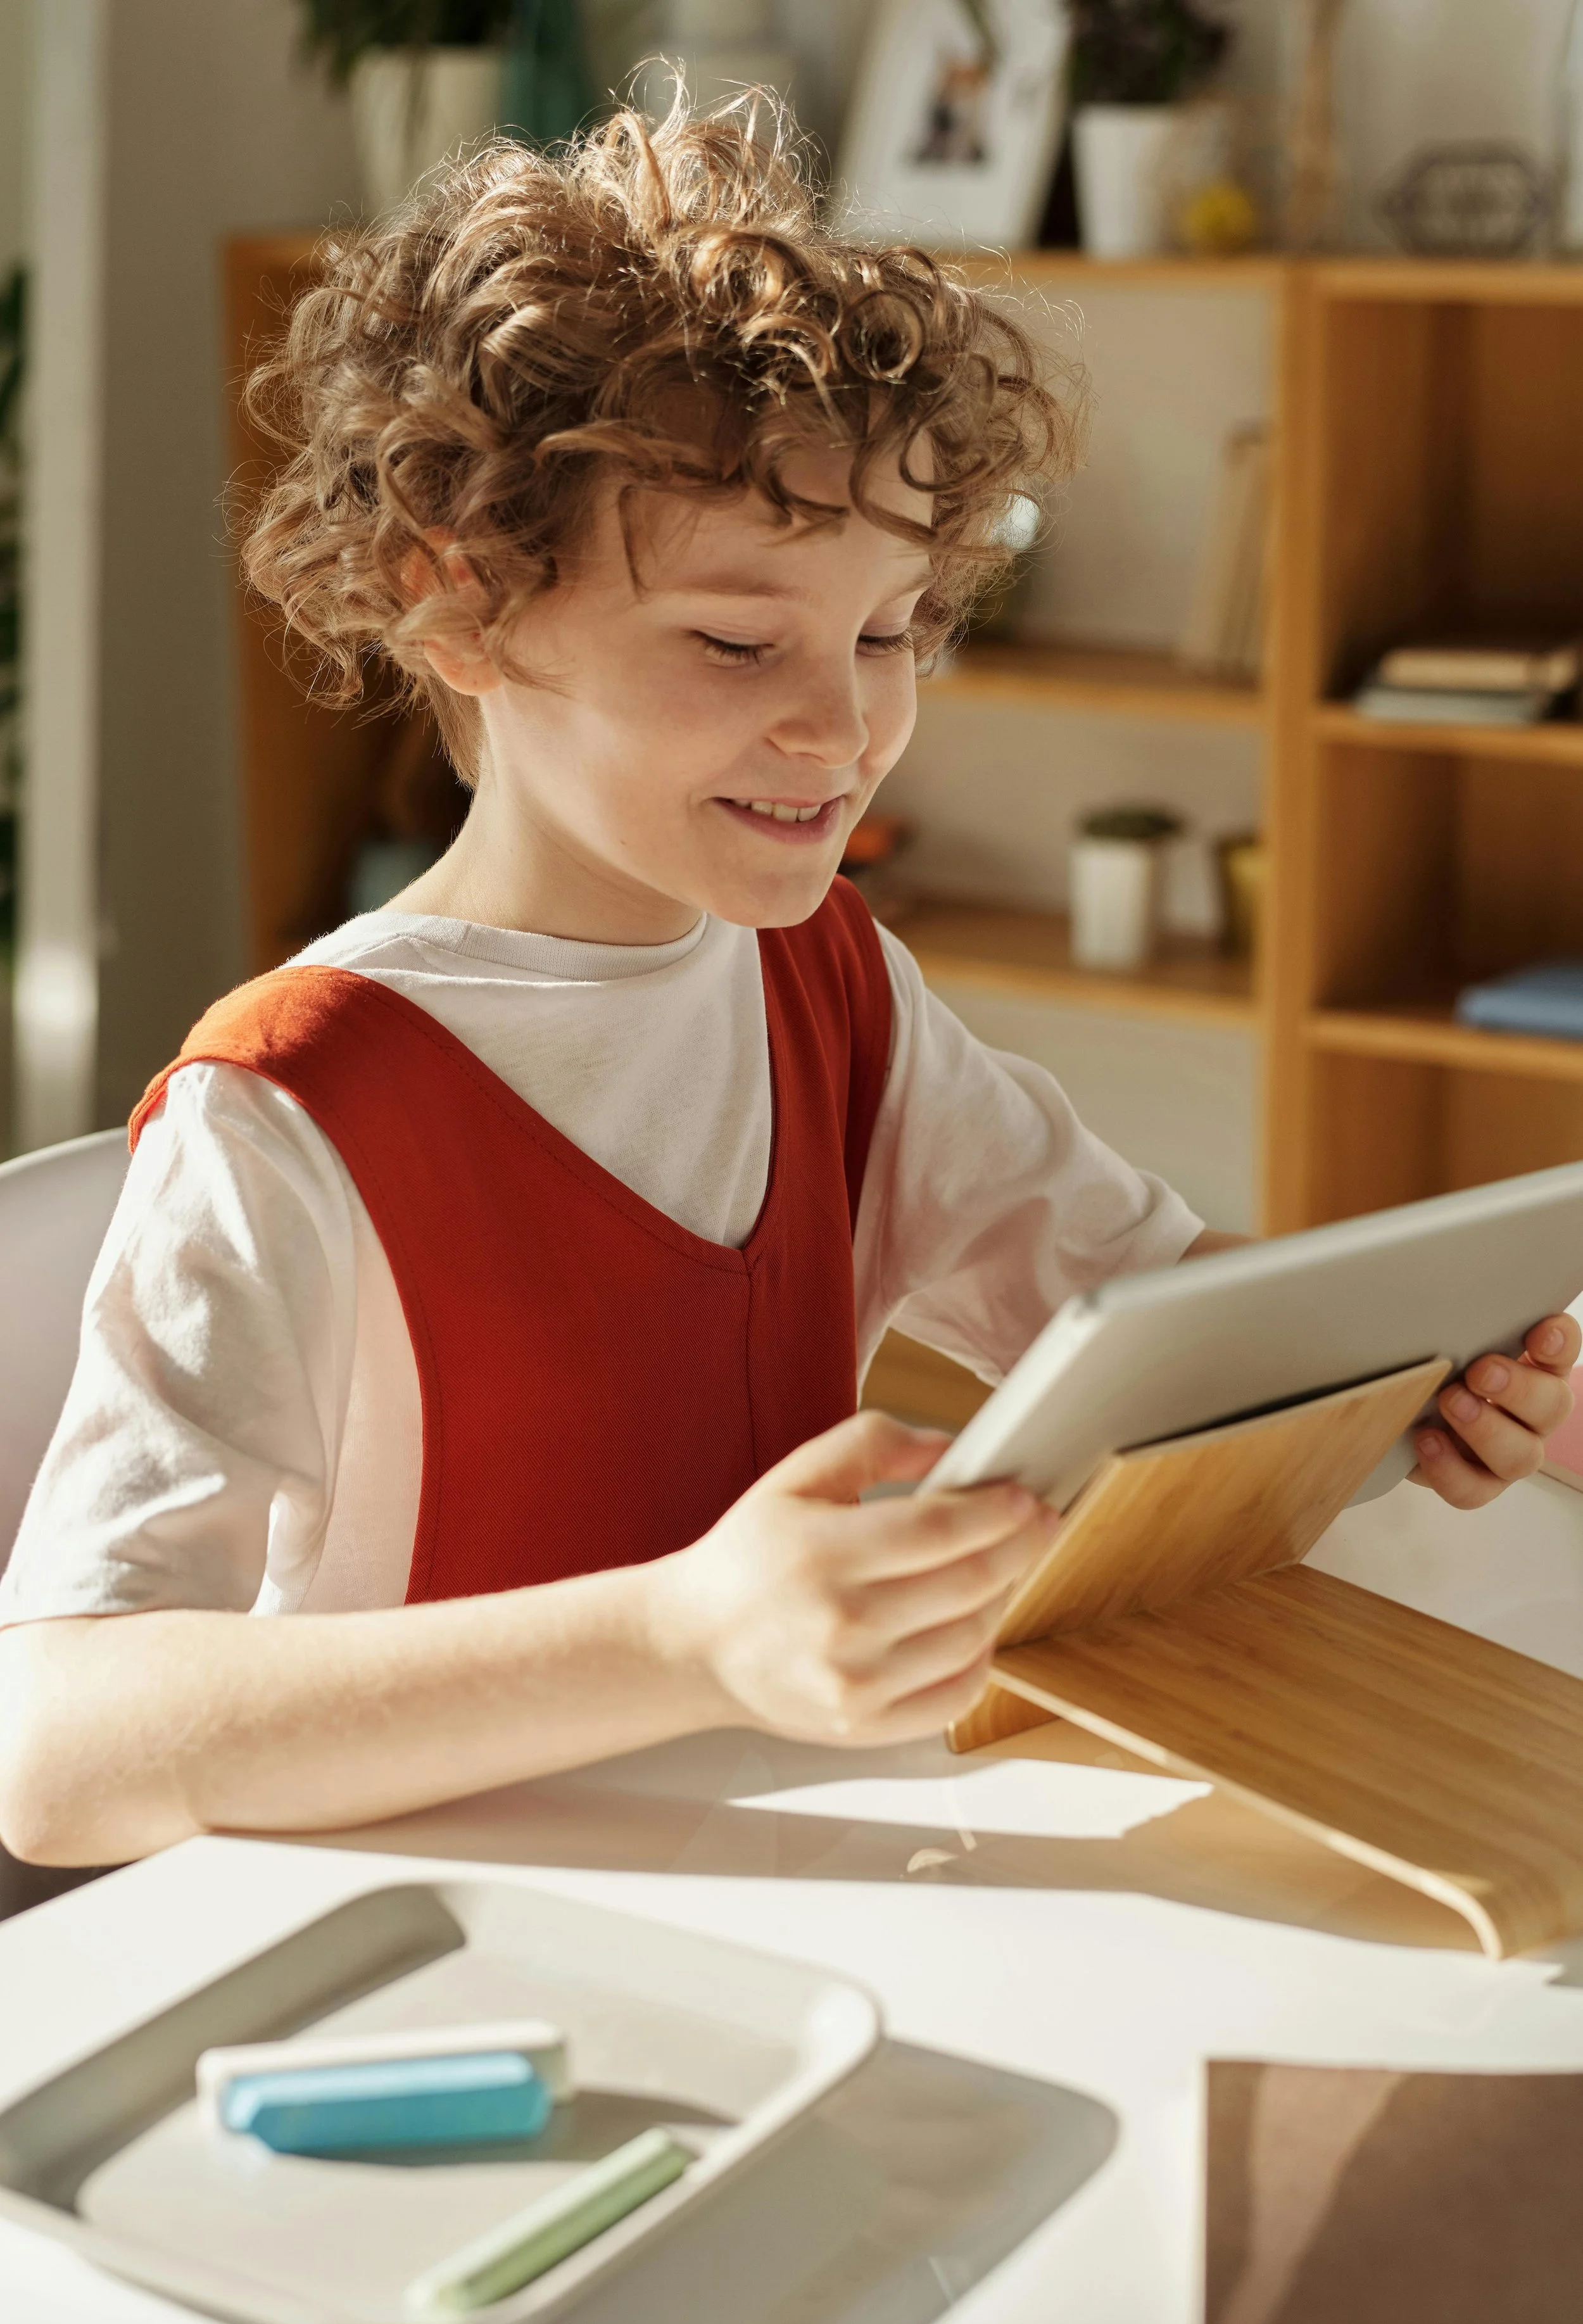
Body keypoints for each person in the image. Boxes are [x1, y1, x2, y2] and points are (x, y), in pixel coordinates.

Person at [0, 103, 1574, 1870]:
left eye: (890, 630)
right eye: (737, 644)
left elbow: (1161, 1319)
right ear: (458, 612)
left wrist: (1440, 1366)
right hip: (443, 1953)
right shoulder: (291, 1105)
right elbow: (61, 1749)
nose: (844, 729)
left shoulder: (828, 987)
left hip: (788, 1884)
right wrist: (679, 1638)